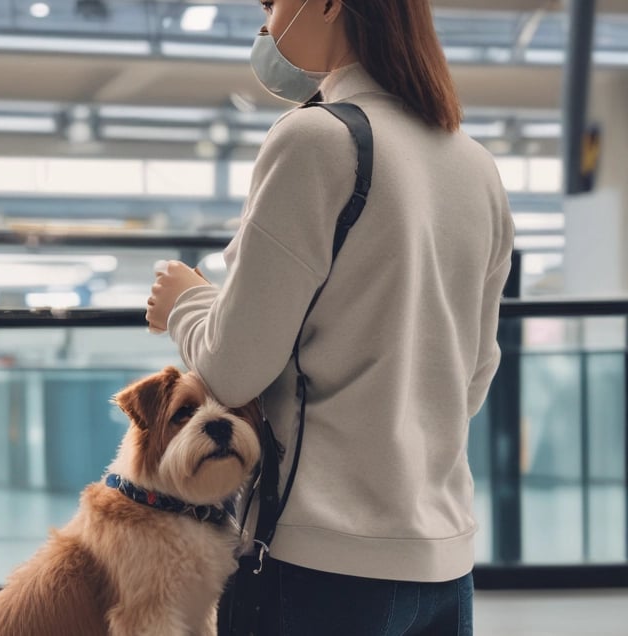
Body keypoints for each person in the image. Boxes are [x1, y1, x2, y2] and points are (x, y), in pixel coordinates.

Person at [146, 1, 514, 634]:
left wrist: (186, 302)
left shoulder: (315, 138)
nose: (265, 25)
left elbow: (233, 369)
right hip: (444, 561)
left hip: (320, 561)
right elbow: (473, 378)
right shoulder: (476, 165)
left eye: (270, 5)